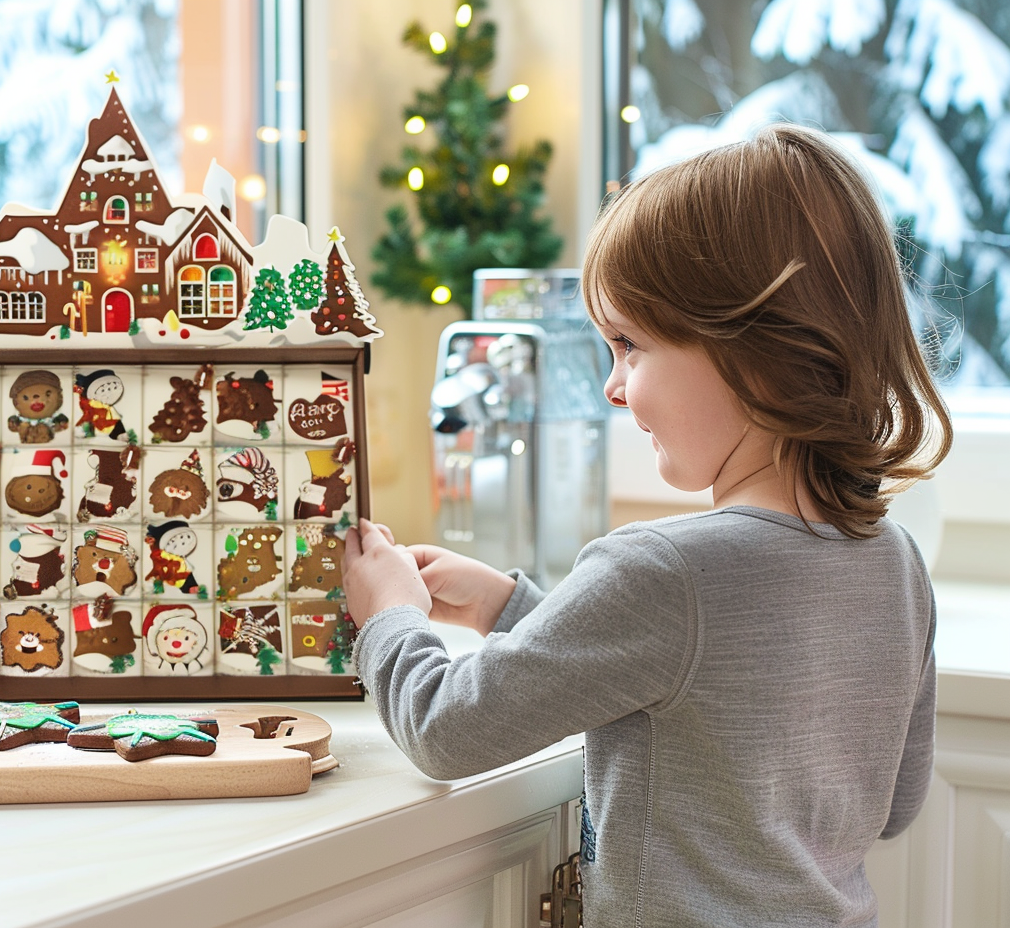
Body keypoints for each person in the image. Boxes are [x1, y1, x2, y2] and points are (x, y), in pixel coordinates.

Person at [342, 123, 952, 927]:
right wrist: (509, 608)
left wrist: (388, 613)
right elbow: (894, 801)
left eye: (629, 346)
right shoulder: (895, 561)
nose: (612, 388)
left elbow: (446, 729)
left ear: (755, 349)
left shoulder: (661, 571)